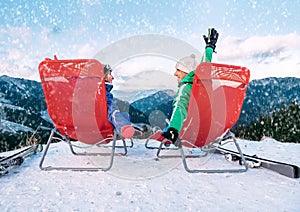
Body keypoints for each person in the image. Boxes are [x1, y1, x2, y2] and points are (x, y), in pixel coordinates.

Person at [161, 28, 219, 144]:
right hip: (208, 129)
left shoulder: (186, 87)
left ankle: (170, 131)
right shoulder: (202, 84)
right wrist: (209, 47)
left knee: (161, 131)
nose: (175, 73)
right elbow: (205, 65)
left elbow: (180, 106)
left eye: (178, 70)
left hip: (189, 131)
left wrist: (173, 129)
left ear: (187, 72)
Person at [103, 64, 146, 138]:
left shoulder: (87, 94)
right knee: (114, 112)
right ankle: (125, 129)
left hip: (83, 125)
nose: (112, 78)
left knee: (125, 115)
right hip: (101, 126)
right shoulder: (103, 94)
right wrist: (125, 127)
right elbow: (112, 112)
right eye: (109, 74)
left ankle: (129, 128)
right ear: (103, 77)